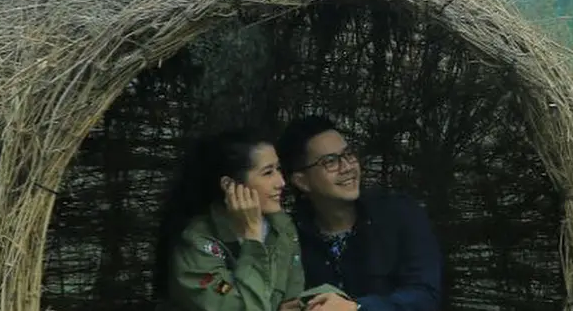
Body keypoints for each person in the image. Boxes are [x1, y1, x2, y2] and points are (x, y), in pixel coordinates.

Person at [276, 116, 443, 311]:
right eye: (330, 161)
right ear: (301, 181)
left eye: (348, 154)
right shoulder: (291, 236)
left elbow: (426, 296)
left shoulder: (400, 214)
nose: (347, 167)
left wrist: (357, 308)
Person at [154, 127, 321, 311]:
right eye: (268, 173)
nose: (281, 182)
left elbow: (292, 301)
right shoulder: (196, 243)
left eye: (278, 169)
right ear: (229, 185)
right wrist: (252, 240)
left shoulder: (281, 227)